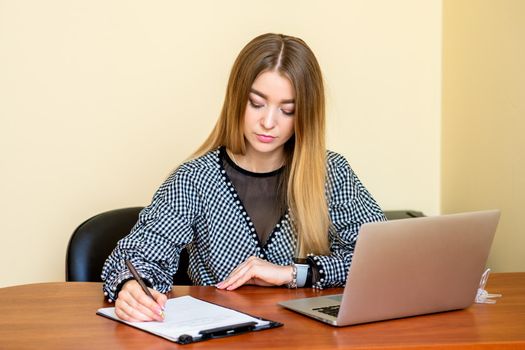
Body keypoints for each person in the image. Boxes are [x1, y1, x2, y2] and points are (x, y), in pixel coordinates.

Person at [101, 33, 386, 322]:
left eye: (288, 110)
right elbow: (136, 256)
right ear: (237, 99)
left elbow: (382, 261)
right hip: (217, 338)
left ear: (305, 115)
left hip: (307, 339)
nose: (269, 122)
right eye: (256, 103)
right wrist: (130, 287)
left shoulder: (331, 173)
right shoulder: (194, 179)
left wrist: (294, 274)